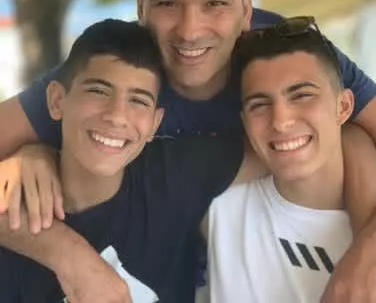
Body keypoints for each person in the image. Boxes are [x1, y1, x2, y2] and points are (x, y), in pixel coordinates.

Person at [0, 0, 376, 303]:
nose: (190, 30)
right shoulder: (119, 68)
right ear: (141, 6)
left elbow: (346, 134)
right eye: (167, 3)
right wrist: (65, 243)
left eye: (215, 3)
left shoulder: (287, 59)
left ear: (246, 10)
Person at [0, 18, 259, 302]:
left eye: (138, 101)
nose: (117, 116)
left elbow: (276, 149)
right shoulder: (15, 207)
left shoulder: (171, 175)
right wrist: (70, 257)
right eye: (98, 91)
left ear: (154, 123)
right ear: (56, 101)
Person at [206, 18, 376, 302]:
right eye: (260, 104)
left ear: (343, 106)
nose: (281, 121)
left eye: (302, 95)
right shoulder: (218, 208)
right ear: (244, 121)